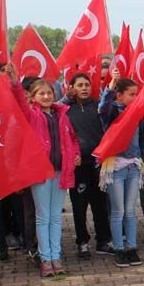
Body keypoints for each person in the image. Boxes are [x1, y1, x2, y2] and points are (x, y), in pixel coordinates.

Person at [7, 64, 81, 277]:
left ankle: (56, 256)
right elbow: (19, 103)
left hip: (61, 171)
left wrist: (76, 154)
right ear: (33, 97)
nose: (47, 96)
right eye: (42, 93)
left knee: (56, 216)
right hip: (40, 173)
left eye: (49, 92)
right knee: (43, 216)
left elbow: (73, 139)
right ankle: (45, 258)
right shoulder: (31, 115)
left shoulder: (62, 115)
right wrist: (14, 83)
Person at [99, 71, 144, 268]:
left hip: (134, 166)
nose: (135, 97)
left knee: (130, 210)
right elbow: (103, 108)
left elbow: (143, 139)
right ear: (119, 95)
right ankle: (119, 249)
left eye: (136, 94)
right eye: (131, 94)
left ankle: (131, 247)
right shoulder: (112, 112)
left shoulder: (137, 114)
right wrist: (109, 88)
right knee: (118, 210)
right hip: (116, 166)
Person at [63, 73, 112, 260]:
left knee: (100, 204)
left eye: (87, 85)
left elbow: (108, 105)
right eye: (80, 85)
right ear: (72, 87)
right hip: (78, 166)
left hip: (97, 163)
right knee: (79, 206)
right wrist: (67, 97)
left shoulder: (97, 106)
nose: (84, 88)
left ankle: (103, 241)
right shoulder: (65, 108)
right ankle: (82, 242)